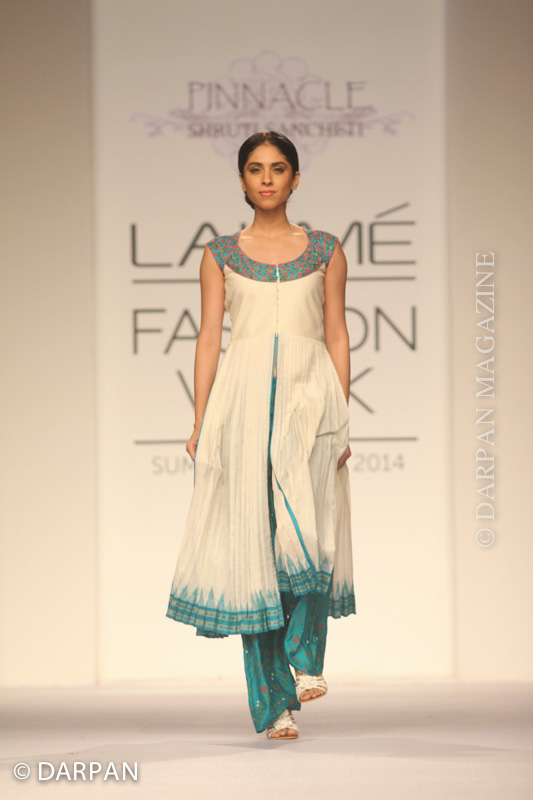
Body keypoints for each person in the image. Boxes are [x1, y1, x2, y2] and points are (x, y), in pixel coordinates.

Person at [166, 130, 356, 740]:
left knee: (309, 532)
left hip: (310, 400)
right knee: (255, 548)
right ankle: (274, 706)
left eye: (278, 168)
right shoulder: (220, 253)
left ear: (296, 179)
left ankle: (305, 657)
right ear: (243, 180)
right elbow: (208, 338)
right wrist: (201, 421)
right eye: (255, 168)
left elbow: (336, 333)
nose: (267, 178)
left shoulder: (325, 249)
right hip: (243, 402)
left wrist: (341, 415)